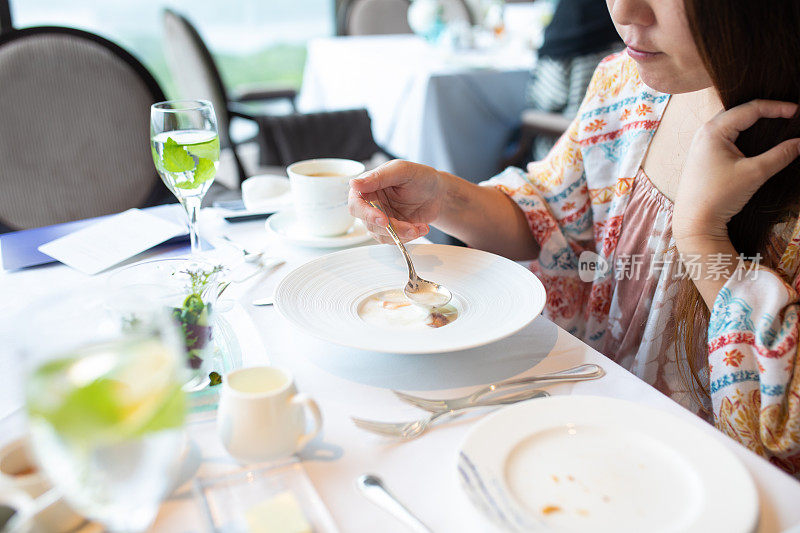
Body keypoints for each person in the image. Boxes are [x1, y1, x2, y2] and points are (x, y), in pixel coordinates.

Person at [348, 0, 800, 477]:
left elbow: (786, 428)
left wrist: (701, 235)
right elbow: (554, 219)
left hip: (713, 484)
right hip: (586, 448)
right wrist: (442, 197)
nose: (624, 10)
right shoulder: (627, 85)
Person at [527, 0, 623, 160]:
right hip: (619, 150)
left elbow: (545, 100)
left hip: (560, 154)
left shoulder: (563, 25)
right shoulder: (622, 26)